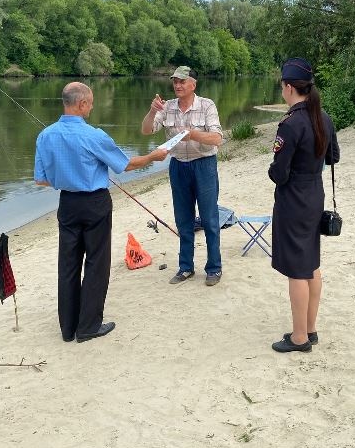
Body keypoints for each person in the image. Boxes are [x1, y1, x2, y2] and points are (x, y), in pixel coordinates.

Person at [35, 82, 168, 343]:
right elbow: (125, 164)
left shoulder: (45, 135)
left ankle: (68, 327)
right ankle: (88, 327)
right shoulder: (93, 135)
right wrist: (153, 156)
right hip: (94, 203)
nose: (93, 106)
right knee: (96, 263)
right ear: (82, 103)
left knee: (68, 264)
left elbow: (41, 179)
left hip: (68, 204)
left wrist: (68, 177)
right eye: (91, 102)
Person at [268, 58, 340, 353]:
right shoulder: (323, 117)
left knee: (297, 270)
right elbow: (333, 156)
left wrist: (276, 170)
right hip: (315, 195)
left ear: (288, 87)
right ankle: (310, 328)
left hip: (293, 200)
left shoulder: (291, 123)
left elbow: (279, 172)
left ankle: (299, 338)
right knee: (311, 263)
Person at [140, 66, 224, 286]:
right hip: (178, 167)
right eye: (175, 82)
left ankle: (214, 268)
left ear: (193, 84)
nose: (177, 85)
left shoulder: (207, 105)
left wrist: (194, 135)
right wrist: (151, 111)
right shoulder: (166, 107)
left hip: (204, 165)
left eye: (182, 82)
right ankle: (186, 267)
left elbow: (217, 138)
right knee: (183, 220)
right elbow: (146, 131)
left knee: (209, 218)